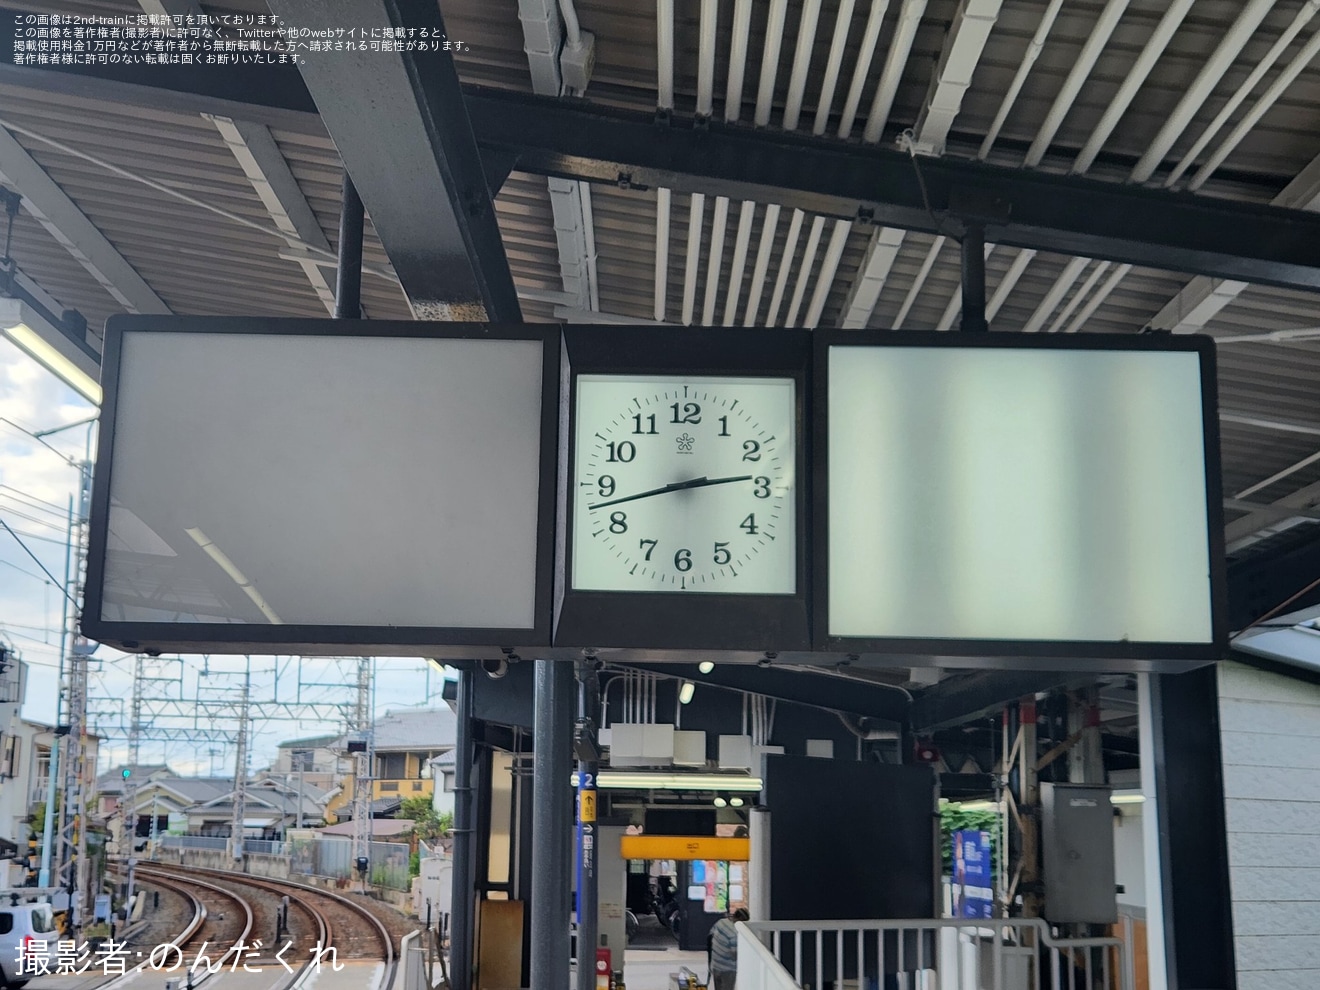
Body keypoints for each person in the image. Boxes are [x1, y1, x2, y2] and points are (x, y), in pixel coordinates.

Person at [708, 907, 749, 990]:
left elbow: (710, 935)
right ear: (741, 920)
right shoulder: (734, 933)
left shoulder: (721, 922)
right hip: (727, 969)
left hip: (715, 964)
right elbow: (734, 954)